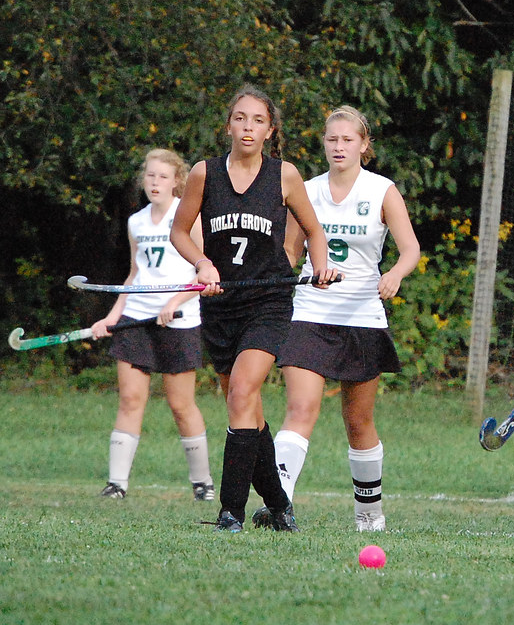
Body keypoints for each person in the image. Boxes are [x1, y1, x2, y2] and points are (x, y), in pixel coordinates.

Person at [170, 84, 336, 533]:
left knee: (242, 392)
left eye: (258, 120)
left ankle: (231, 512)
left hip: (269, 300)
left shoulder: (284, 176)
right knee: (246, 408)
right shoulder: (205, 174)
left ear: (270, 131)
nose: (248, 127)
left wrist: (321, 267)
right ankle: (280, 507)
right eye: (240, 118)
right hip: (222, 304)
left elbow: (315, 233)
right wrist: (202, 262)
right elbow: (180, 232)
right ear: (229, 125)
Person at [249, 105, 420, 532]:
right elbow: (291, 251)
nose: (339, 146)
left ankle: (369, 515)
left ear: (364, 145)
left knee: (358, 422)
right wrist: (271, 276)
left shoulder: (382, 190)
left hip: (362, 314)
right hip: (310, 311)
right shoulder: (305, 189)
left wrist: (395, 274)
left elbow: (410, 249)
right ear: (323, 143)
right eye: (332, 139)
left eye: (348, 140)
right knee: (300, 408)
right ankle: (280, 505)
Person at [91, 148, 214, 501]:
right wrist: (112, 318)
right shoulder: (137, 222)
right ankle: (117, 484)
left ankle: (202, 483)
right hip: (137, 319)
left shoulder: (189, 217)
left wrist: (175, 301)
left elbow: (203, 276)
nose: (155, 183)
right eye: (149, 176)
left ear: (177, 180)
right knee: (130, 399)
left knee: (181, 405)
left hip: (180, 321)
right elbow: (134, 274)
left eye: (162, 176)